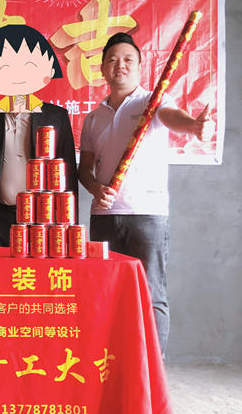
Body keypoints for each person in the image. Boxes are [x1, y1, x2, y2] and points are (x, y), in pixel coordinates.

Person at [78, 32, 213, 356]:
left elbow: (174, 118)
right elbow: (84, 170)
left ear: (139, 67)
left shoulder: (153, 102)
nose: (120, 65)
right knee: (106, 293)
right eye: (112, 60)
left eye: (128, 59)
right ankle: (112, 364)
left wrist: (194, 126)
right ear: (102, 68)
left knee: (151, 295)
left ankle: (152, 368)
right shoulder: (93, 118)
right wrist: (96, 188)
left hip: (147, 215)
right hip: (104, 217)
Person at [0, 24, 78, 246]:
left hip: (41, 215)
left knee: (34, 267)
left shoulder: (56, 116)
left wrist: (69, 218)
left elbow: (68, 170)